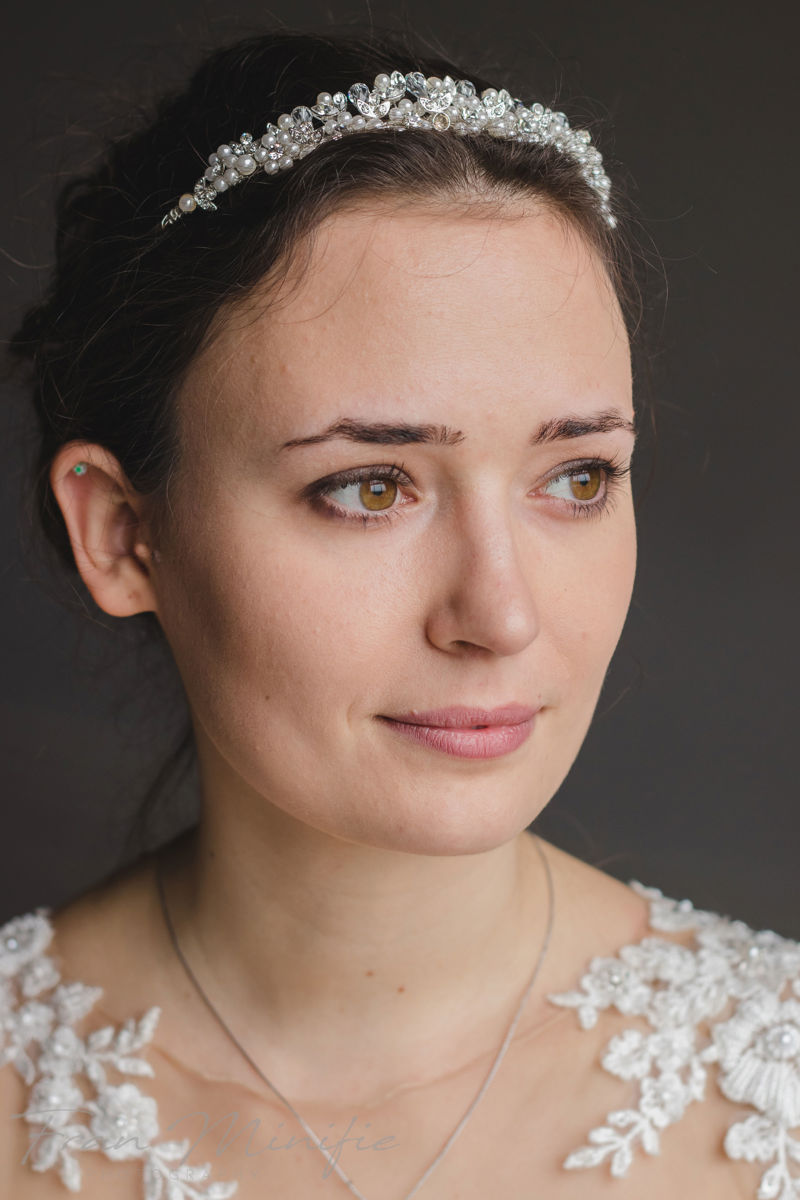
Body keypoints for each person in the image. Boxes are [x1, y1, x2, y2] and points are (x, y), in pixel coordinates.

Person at [1, 27, 797, 1200]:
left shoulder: (773, 1087)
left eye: (575, 477)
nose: (499, 615)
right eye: (370, 488)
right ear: (122, 532)